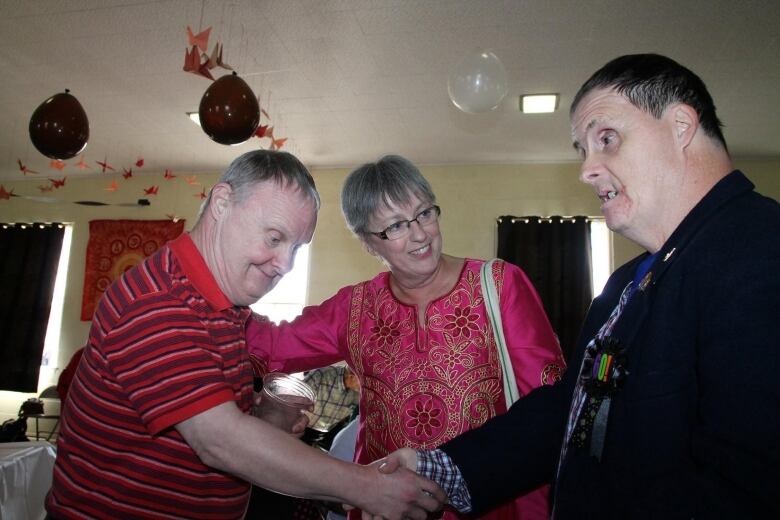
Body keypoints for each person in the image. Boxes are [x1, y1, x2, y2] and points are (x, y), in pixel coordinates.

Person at [383, 53, 780, 519]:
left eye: (606, 139)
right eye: (582, 150)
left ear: (680, 126)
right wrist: (440, 469)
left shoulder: (760, 249)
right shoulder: (628, 281)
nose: (586, 170)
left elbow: (750, 485)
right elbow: (571, 412)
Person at [45, 150, 444, 520]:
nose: (285, 264)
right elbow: (220, 440)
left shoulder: (225, 305)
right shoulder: (159, 301)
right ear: (221, 204)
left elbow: (210, 410)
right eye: (274, 238)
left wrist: (260, 414)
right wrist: (369, 488)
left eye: (297, 248)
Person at [247, 155, 566, 519]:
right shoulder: (355, 307)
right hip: (386, 509)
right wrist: (218, 286)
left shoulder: (498, 285)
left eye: (425, 213)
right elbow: (271, 345)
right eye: (396, 226)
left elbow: (546, 408)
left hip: (488, 506)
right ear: (369, 243)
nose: (419, 234)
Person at [302, 364, 360, 449]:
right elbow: (296, 399)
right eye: (363, 381)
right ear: (352, 376)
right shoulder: (322, 374)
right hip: (301, 426)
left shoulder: (360, 391)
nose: (364, 385)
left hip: (324, 432)